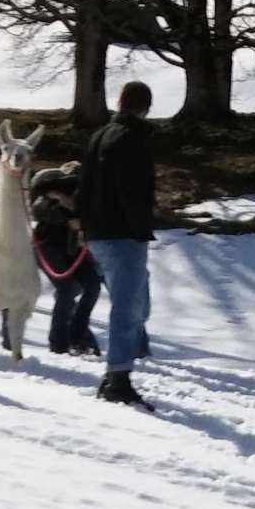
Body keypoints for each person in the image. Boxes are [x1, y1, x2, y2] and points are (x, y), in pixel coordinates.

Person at [80, 81, 158, 409]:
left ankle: (117, 369)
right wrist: (141, 227)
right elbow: (132, 190)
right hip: (123, 234)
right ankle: (118, 378)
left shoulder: (98, 136)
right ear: (145, 107)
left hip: (98, 233)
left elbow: (84, 186)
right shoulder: (132, 140)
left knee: (136, 302)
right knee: (128, 307)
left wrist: (85, 226)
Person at [29, 164, 101, 357]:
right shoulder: (53, 191)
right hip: (48, 245)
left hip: (74, 247)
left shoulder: (92, 196)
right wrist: (65, 213)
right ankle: (58, 344)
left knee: (93, 286)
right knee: (66, 289)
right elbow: (38, 210)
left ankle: (78, 335)